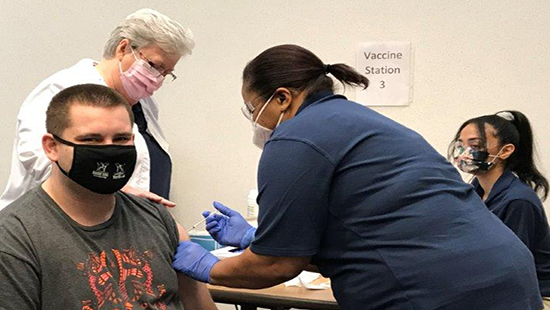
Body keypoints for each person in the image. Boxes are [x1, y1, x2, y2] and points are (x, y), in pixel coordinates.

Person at [171, 44, 543, 310]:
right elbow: (371, 231)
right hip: (507, 275)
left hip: (438, 293)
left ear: (282, 98)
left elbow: (278, 264)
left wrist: (210, 267)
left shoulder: (294, 137)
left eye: (254, 109)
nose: (255, 121)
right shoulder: (367, 123)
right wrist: (257, 238)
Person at [0, 84, 217, 310]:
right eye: (91, 140)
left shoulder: (157, 220)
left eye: (121, 139)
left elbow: (198, 304)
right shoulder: (14, 239)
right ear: (52, 147)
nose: (109, 151)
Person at [0, 8, 195, 210]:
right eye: (154, 66)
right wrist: (122, 193)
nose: (158, 79)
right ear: (123, 48)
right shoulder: (62, 90)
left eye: (166, 73)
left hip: (129, 228)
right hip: (57, 226)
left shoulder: (143, 104)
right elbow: (40, 160)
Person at [450, 110, 550, 308]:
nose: (464, 152)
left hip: (536, 296)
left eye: (475, 145)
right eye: (460, 144)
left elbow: (511, 268)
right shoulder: (474, 192)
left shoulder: (518, 201)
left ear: (505, 151)